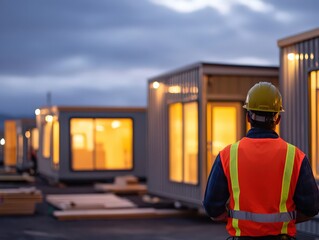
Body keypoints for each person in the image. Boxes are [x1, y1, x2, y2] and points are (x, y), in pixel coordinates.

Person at [203, 82, 319, 240]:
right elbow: (311, 207)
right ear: (277, 119)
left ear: (248, 116)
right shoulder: (296, 157)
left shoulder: (227, 155)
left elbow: (212, 207)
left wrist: (235, 219)